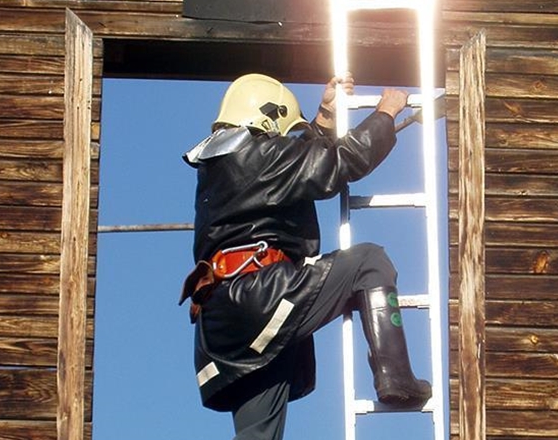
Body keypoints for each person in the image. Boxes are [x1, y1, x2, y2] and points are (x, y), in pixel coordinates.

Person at [179, 72, 432, 440]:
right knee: (369, 263)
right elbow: (340, 161)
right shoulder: (261, 154)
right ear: (267, 119)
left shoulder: (223, 160)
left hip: (226, 317)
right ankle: (397, 379)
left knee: (258, 434)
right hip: (262, 293)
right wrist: (385, 115)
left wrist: (325, 117)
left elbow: (297, 166)